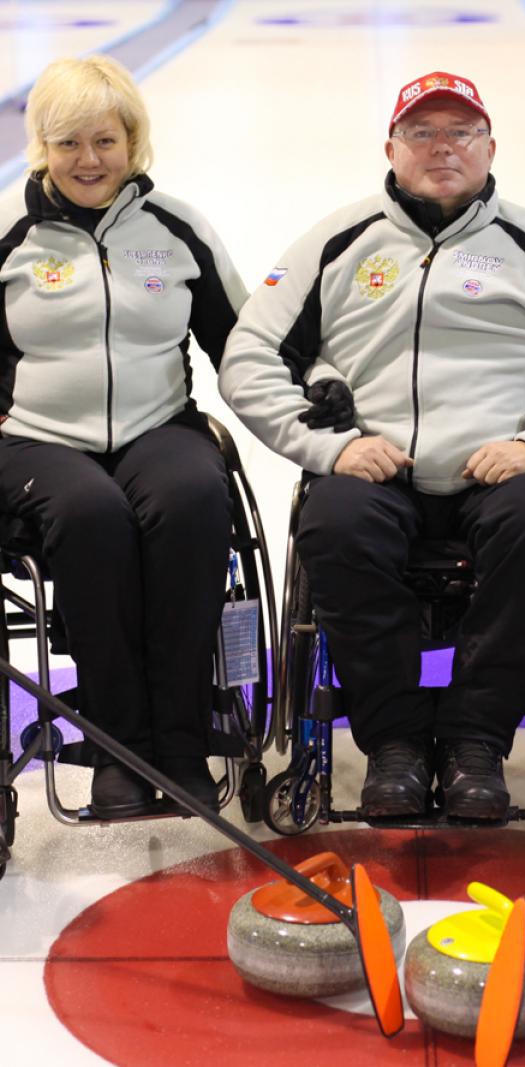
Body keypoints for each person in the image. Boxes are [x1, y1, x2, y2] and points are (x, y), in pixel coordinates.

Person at [220, 71, 525, 820]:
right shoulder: (337, 242)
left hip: (502, 469)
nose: (442, 147)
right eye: (422, 132)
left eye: (461, 131)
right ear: (390, 147)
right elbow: (248, 354)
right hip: (372, 466)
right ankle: (393, 743)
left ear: (492, 146)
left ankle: (474, 744)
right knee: (333, 522)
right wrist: (326, 448)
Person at [0, 56, 247, 817]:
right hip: (35, 439)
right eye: (68, 143)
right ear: (42, 145)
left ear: (131, 141)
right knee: (92, 515)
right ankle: (117, 745)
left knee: (196, 496)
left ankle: (179, 740)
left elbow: (242, 343)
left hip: (157, 426)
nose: (88, 160)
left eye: (103, 141)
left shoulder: (175, 229)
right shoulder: (12, 233)